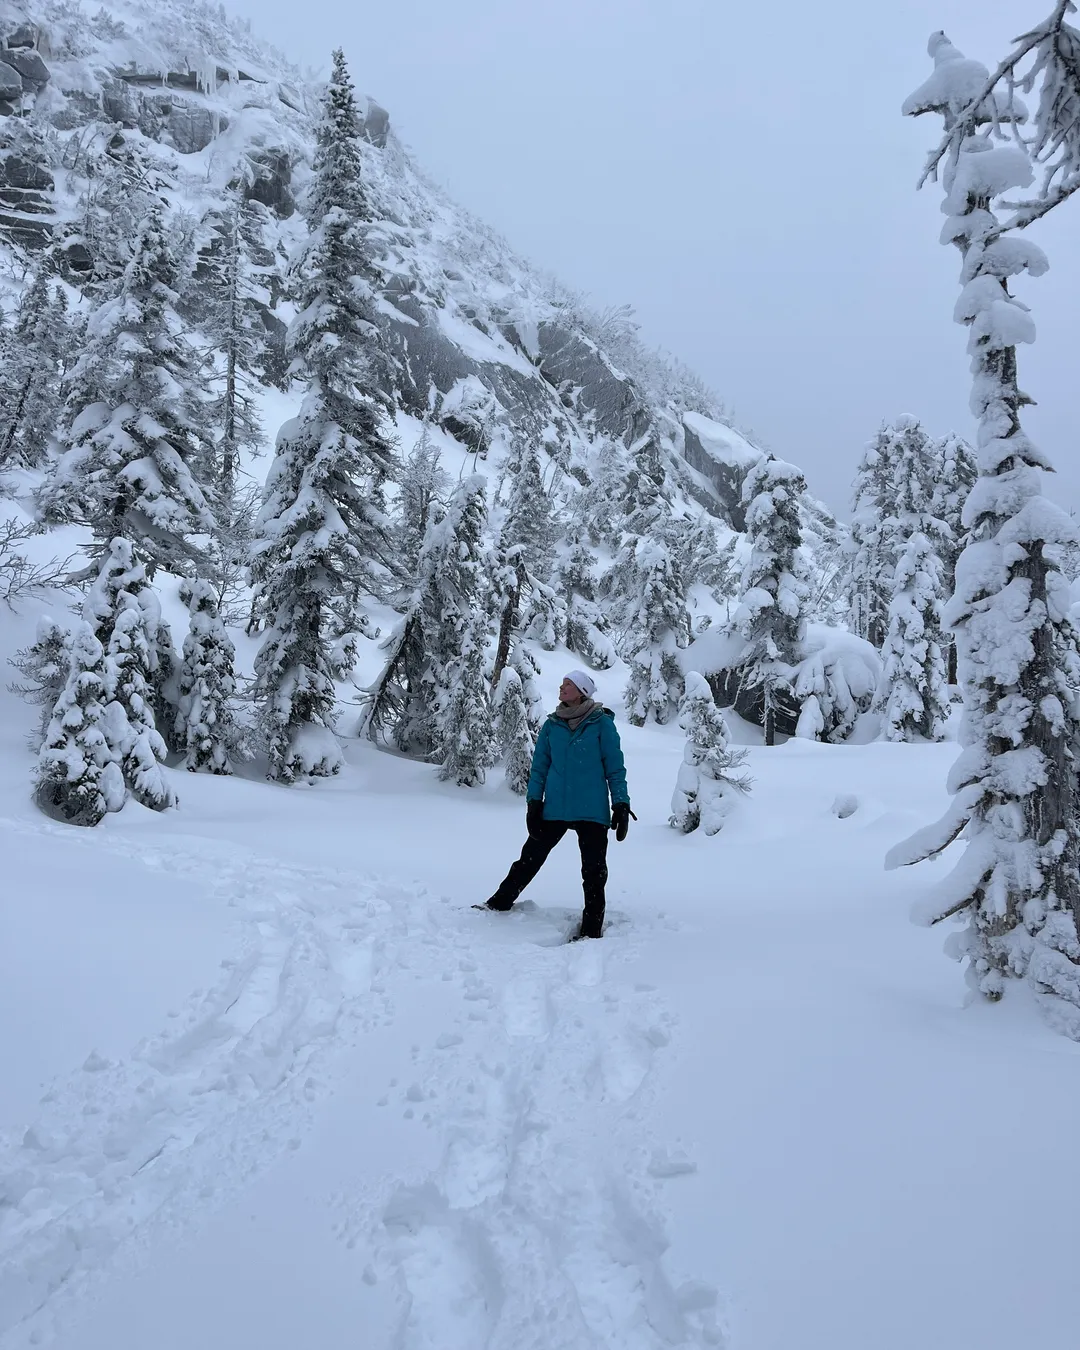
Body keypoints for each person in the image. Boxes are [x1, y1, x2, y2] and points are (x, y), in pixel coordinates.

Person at [481, 669, 631, 939]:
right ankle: (499, 903)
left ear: (582, 692)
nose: (561, 689)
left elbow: (615, 767)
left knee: (594, 871)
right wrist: (533, 802)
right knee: (529, 859)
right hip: (555, 808)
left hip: (591, 809)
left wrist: (620, 802)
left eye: (568, 685)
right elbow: (539, 768)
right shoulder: (552, 725)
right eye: (562, 684)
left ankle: (591, 928)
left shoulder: (601, 723)